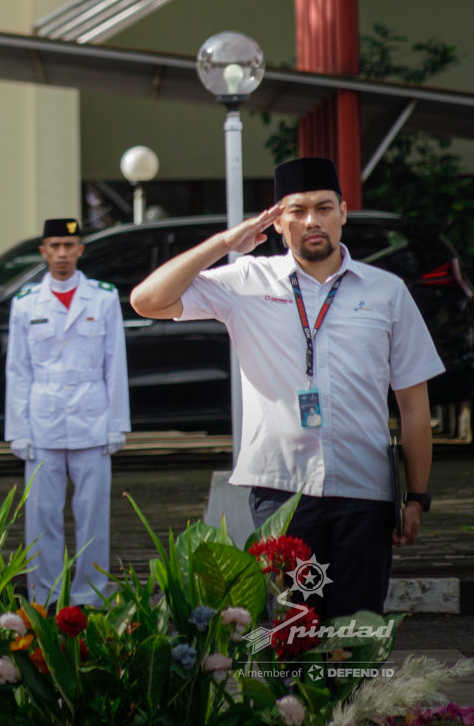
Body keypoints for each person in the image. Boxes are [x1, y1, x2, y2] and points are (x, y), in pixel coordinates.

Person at [131, 156, 442, 620]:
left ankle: (355, 698)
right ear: (278, 221)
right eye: (296, 210)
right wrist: (224, 243)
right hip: (282, 491)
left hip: (366, 491)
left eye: (323, 207)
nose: (311, 221)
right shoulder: (245, 282)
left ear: (342, 213)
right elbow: (147, 301)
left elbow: (414, 406)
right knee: (291, 628)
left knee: (357, 629)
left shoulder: (387, 291)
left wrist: (416, 497)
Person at [5, 217, 129, 606]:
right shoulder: (25, 303)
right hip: (42, 419)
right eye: (54, 245)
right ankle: (45, 596)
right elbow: (18, 369)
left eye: (69, 245)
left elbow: (115, 363)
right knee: (42, 515)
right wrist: (17, 429)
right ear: (43, 251)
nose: (62, 253)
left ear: (81, 249)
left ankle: (90, 597)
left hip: (92, 416)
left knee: (93, 515)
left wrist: (117, 423)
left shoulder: (104, 297)